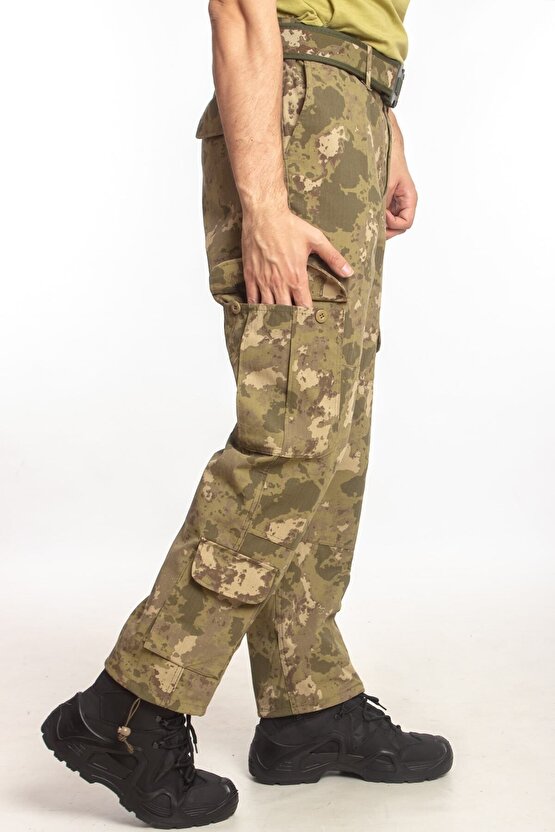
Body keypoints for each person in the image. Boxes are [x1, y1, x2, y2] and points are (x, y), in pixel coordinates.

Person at [41, 0, 453, 827]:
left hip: (348, 104)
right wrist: (262, 203)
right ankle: (125, 709)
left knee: (334, 434)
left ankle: (308, 706)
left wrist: (383, 122)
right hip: (291, 103)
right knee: (291, 439)